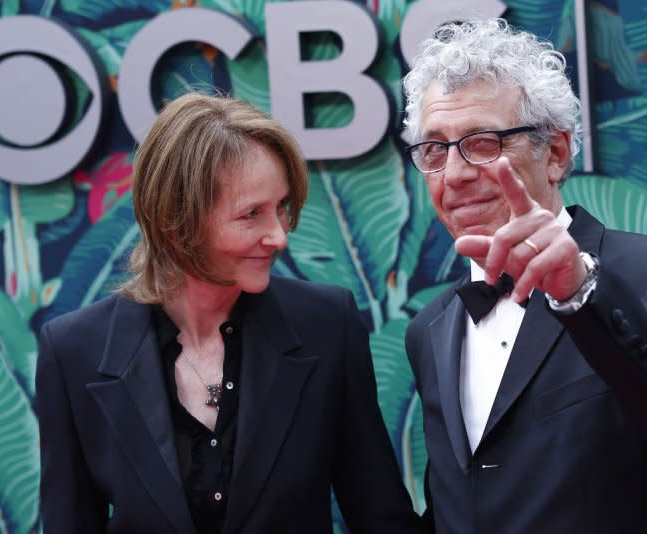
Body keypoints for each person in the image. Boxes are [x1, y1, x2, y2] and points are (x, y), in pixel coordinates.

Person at [402, 19, 647, 533]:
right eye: (435, 150)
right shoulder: (430, 327)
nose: (455, 174)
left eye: (482, 142)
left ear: (555, 152)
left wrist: (582, 291)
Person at [36, 93, 424, 533]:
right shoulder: (74, 351)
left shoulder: (326, 326)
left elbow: (380, 517)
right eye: (251, 215)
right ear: (177, 220)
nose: (278, 236)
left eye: (280, 207)